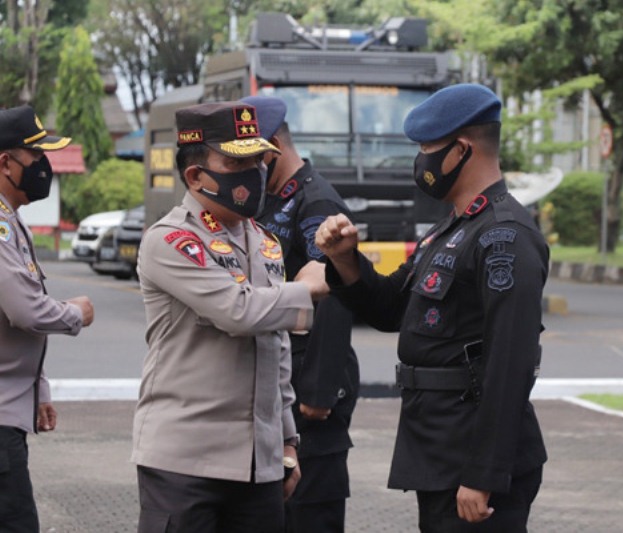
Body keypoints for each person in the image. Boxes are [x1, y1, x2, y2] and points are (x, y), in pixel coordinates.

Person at [315, 83, 548, 532]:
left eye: (426, 148)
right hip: (439, 447)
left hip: (472, 458)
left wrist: (483, 474)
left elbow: (511, 362)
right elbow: (389, 309)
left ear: (461, 150)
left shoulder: (505, 236)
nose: (420, 160)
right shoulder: (451, 229)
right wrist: (345, 259)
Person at [132, 101, 327, 533]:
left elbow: (276, 348)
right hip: (185, 462)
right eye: (237, 163)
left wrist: (287, 440)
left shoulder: (264, 242)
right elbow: (238, 312)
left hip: (258, 463)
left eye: (258, 160)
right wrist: (307, 287)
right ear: (195, 176)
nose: (255, 172)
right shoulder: (171, 240)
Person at [242, 95, 360, 533]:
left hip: (311, 385)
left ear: (273, 147)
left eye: (250, 158)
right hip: (284, 374)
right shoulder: (270, 199)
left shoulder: (316, 202)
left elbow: (336, 289)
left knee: (311, 505)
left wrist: (319, 390)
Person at [0, 105, 95, 531]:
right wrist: (76, 313)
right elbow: (25, 311)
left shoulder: (10, 219)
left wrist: (37, 388)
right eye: (36, 156)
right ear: (6, 163)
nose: (44, 167)